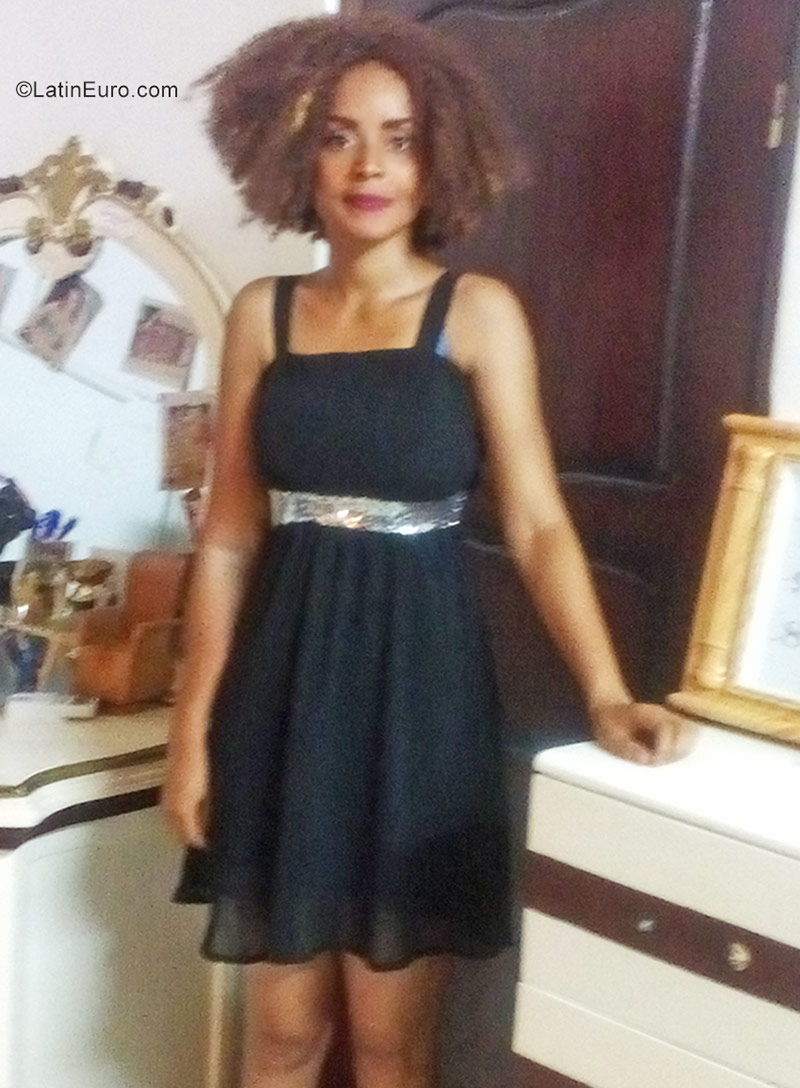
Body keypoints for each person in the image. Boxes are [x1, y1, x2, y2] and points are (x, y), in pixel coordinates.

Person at [161, 13, 695, 1088]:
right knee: (280, 1035)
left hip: (420, 700)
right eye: (339, 136)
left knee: (391, 1043)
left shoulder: (478, 314)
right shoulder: (264, 315)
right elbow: (227, 539)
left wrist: (603, 693)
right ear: (294, 153)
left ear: (437, 156)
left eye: (399, 140)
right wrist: (191, 728)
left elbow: (538, 524)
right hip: (283, 697)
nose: (369, 166)